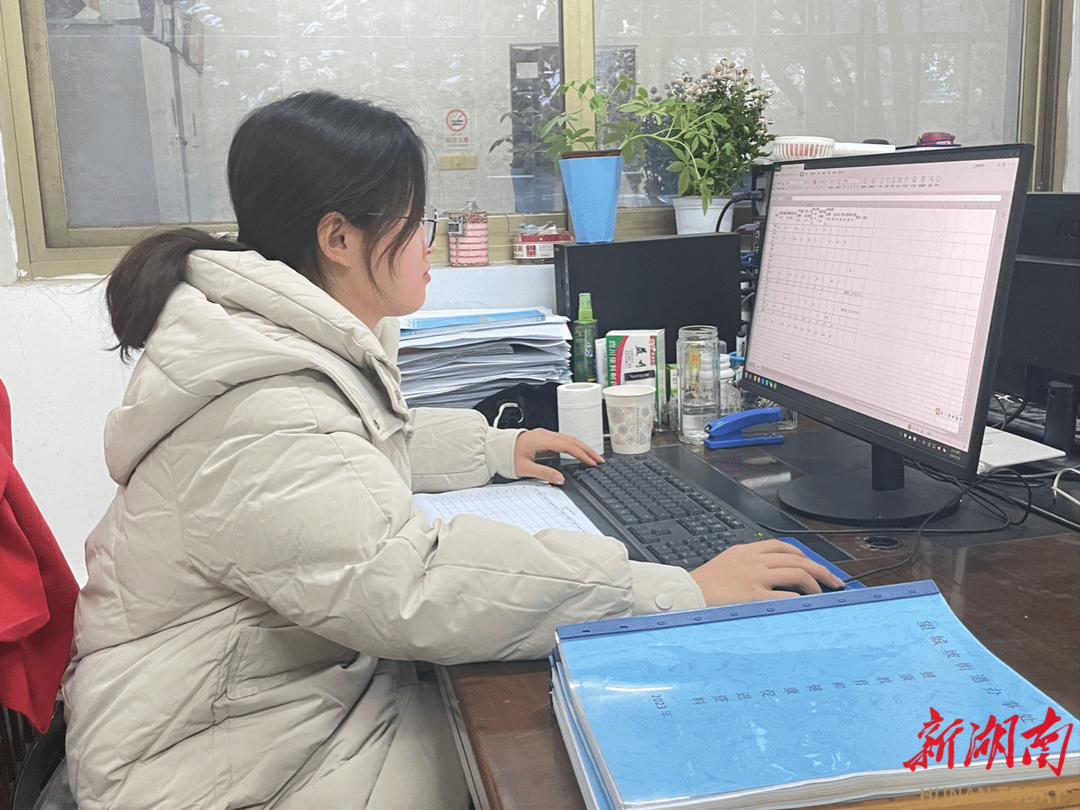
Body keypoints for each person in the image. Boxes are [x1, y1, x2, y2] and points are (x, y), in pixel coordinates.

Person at [62, 90, 843, 810]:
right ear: (339, 237)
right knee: (586, 747)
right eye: (417, 222)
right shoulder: (269, 406)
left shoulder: (268, 350)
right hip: (214, 765)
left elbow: (354, 450)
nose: (430, 243)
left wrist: (496, 447)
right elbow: (413, 585)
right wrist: (679, 589)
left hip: (263, 706)